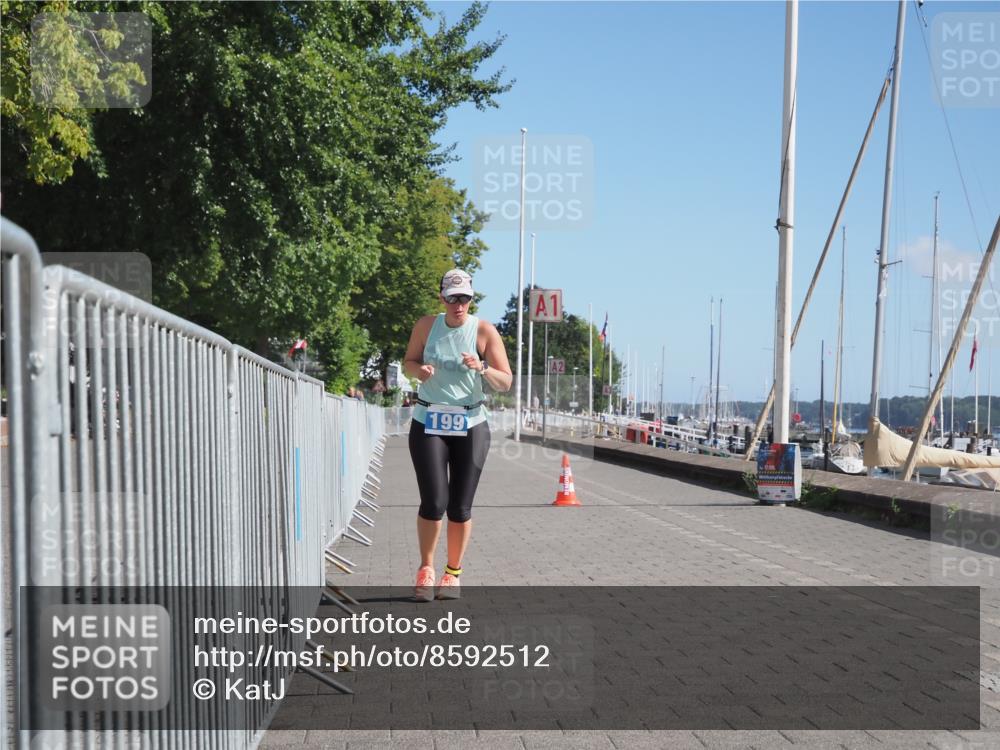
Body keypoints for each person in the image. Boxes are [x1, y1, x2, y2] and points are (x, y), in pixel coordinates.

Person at [402, 269, 512, 600]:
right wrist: (418, 371)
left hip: (471, 422)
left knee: (460, 507)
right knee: (434, 501)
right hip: (429, 418)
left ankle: (453, 573)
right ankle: (426, 568)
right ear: (442, 299)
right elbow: (408, 361)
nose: (458, 305)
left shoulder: (483, 331)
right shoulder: (425, 326)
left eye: (464, 298)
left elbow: (506, 381)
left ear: (470, 299)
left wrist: (482, 367)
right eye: (452, 298)